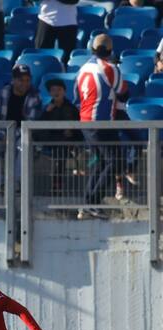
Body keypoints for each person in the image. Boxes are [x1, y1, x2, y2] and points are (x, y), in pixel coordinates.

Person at [75, 34, 126, 220]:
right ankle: (92, 203)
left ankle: (88, 203)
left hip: (85, 123)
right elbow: (123, 92)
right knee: (115, 161)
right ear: (110, 51)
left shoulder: (82, 69)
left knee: (102, 162)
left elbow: (76, 96)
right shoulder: (111, 68)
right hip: (102, 122)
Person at [0, 64, 42, 194]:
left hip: (20, 136)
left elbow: (31, 124)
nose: (24, 83)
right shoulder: (2, 93)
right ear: (14, 80)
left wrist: (11, 135)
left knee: (23, 143)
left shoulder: (34, 96)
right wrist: (1, 134)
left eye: (27, 80)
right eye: (21, 80)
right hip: (1, 135)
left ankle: (15, 184)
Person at [38, 77, 81, 194]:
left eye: (59, 89)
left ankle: (57, 184)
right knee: (58, 150)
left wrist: (71, 132)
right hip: (50, 140)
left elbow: (78, 127)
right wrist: (47, 113)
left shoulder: (71, 108)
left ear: (64, 91)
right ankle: (57, 183)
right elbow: (38, 126)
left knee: (61, 151)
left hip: (67, 142)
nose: (56, 92)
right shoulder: (47, 108)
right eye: (53, 90)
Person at [35, 0, 78, 64]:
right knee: (41, 57)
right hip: (46, 20)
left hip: (68, 22)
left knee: (67, 58)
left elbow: (73, 1)